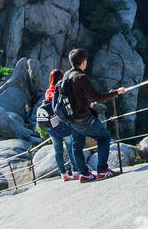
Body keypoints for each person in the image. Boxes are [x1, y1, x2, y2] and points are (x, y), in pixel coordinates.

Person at [63, 48, 126, 182]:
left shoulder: (67, 75)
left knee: (76, 147)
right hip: (84, 119)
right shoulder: (81, 77)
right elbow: (98, 97)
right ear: (83, 61)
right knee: (104, 137)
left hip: (72, 119)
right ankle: (102, 170)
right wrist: (116, 92)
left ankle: (84, 174)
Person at [41, 69, 75, 181]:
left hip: (52, 127)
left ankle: (63, 174)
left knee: (58, 151)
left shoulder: (47, 92)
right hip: (64, 126)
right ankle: (75, 171)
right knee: (71, 149)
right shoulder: (60, 89)